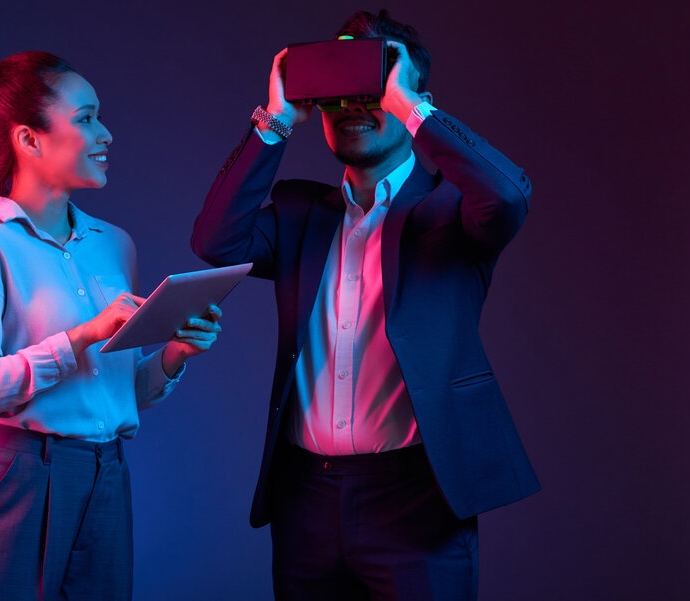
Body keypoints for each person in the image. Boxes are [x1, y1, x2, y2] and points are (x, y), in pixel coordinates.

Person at [191, 9, 539, 601]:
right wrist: (275, 120)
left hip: (418, 499)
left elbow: (507, 196)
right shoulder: (303, 216)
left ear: (408, 97)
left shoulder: (455, 211)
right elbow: (215, 241)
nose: (354, 106)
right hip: (305, 497)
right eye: (339, 92)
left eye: (372, 88)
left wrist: (408, 105)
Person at [0, 51, 222, 601]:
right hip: (17, 480)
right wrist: (81, 335)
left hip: (108, 477)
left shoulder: (115, 245)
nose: (106, 133)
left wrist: (174, 354)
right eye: (86, 117)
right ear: (30, 139)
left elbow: (110, 392)